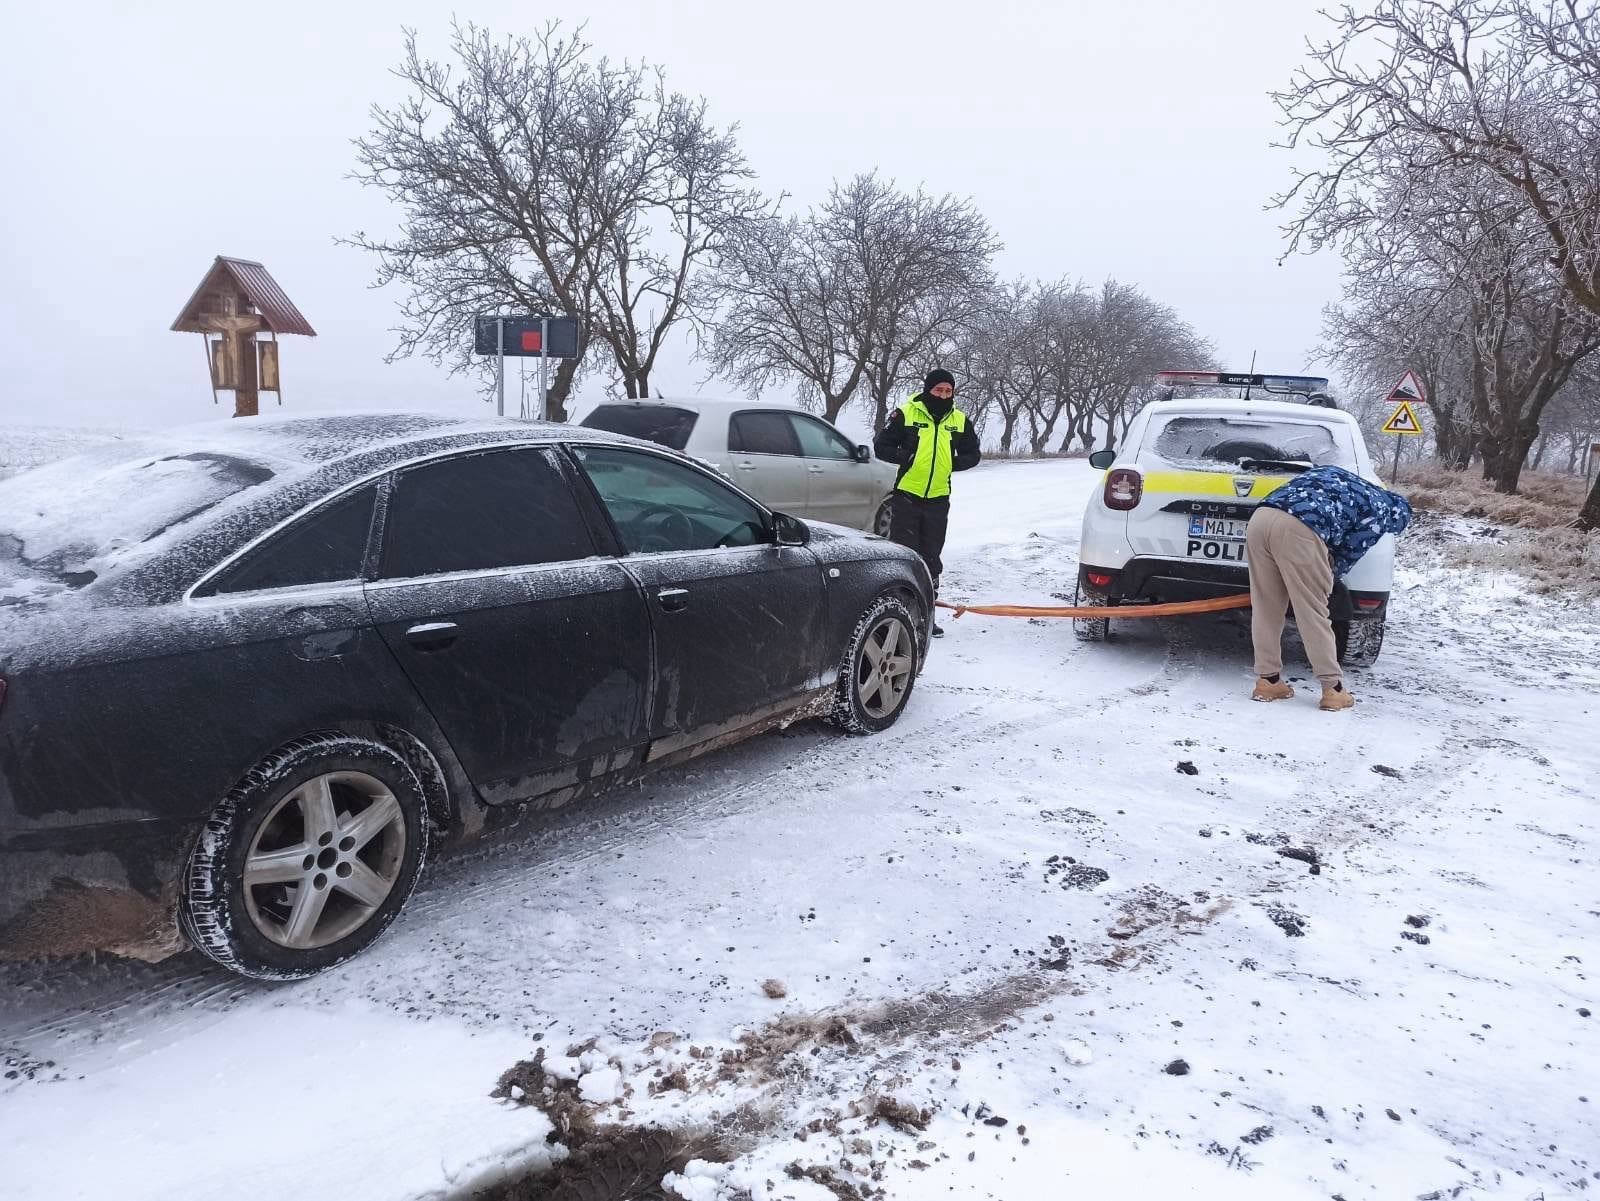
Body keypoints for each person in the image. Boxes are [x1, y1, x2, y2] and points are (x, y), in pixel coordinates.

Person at [1246, 464, 1412, 710]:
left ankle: (1268, 681)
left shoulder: (1342, 478)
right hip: (1300, 527)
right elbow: (1347, 554)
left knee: (1266, 607)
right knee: (1313, 612)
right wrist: (1325, 579)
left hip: (1261, 517)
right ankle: (1333, 689)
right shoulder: (1381, 511)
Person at [873, 368, 982, 636]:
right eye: (938, 390)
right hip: (907, 496)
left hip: (938, 498)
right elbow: (881, 446)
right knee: (905, 555)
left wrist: (951, 464)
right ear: (928, 390)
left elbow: (973, 453)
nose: (943, 395)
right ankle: (898, 614)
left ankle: (926, 617)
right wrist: (905, 457)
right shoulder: (906, 414)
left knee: (931, 558)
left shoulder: (959, 420)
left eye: (948, 391)